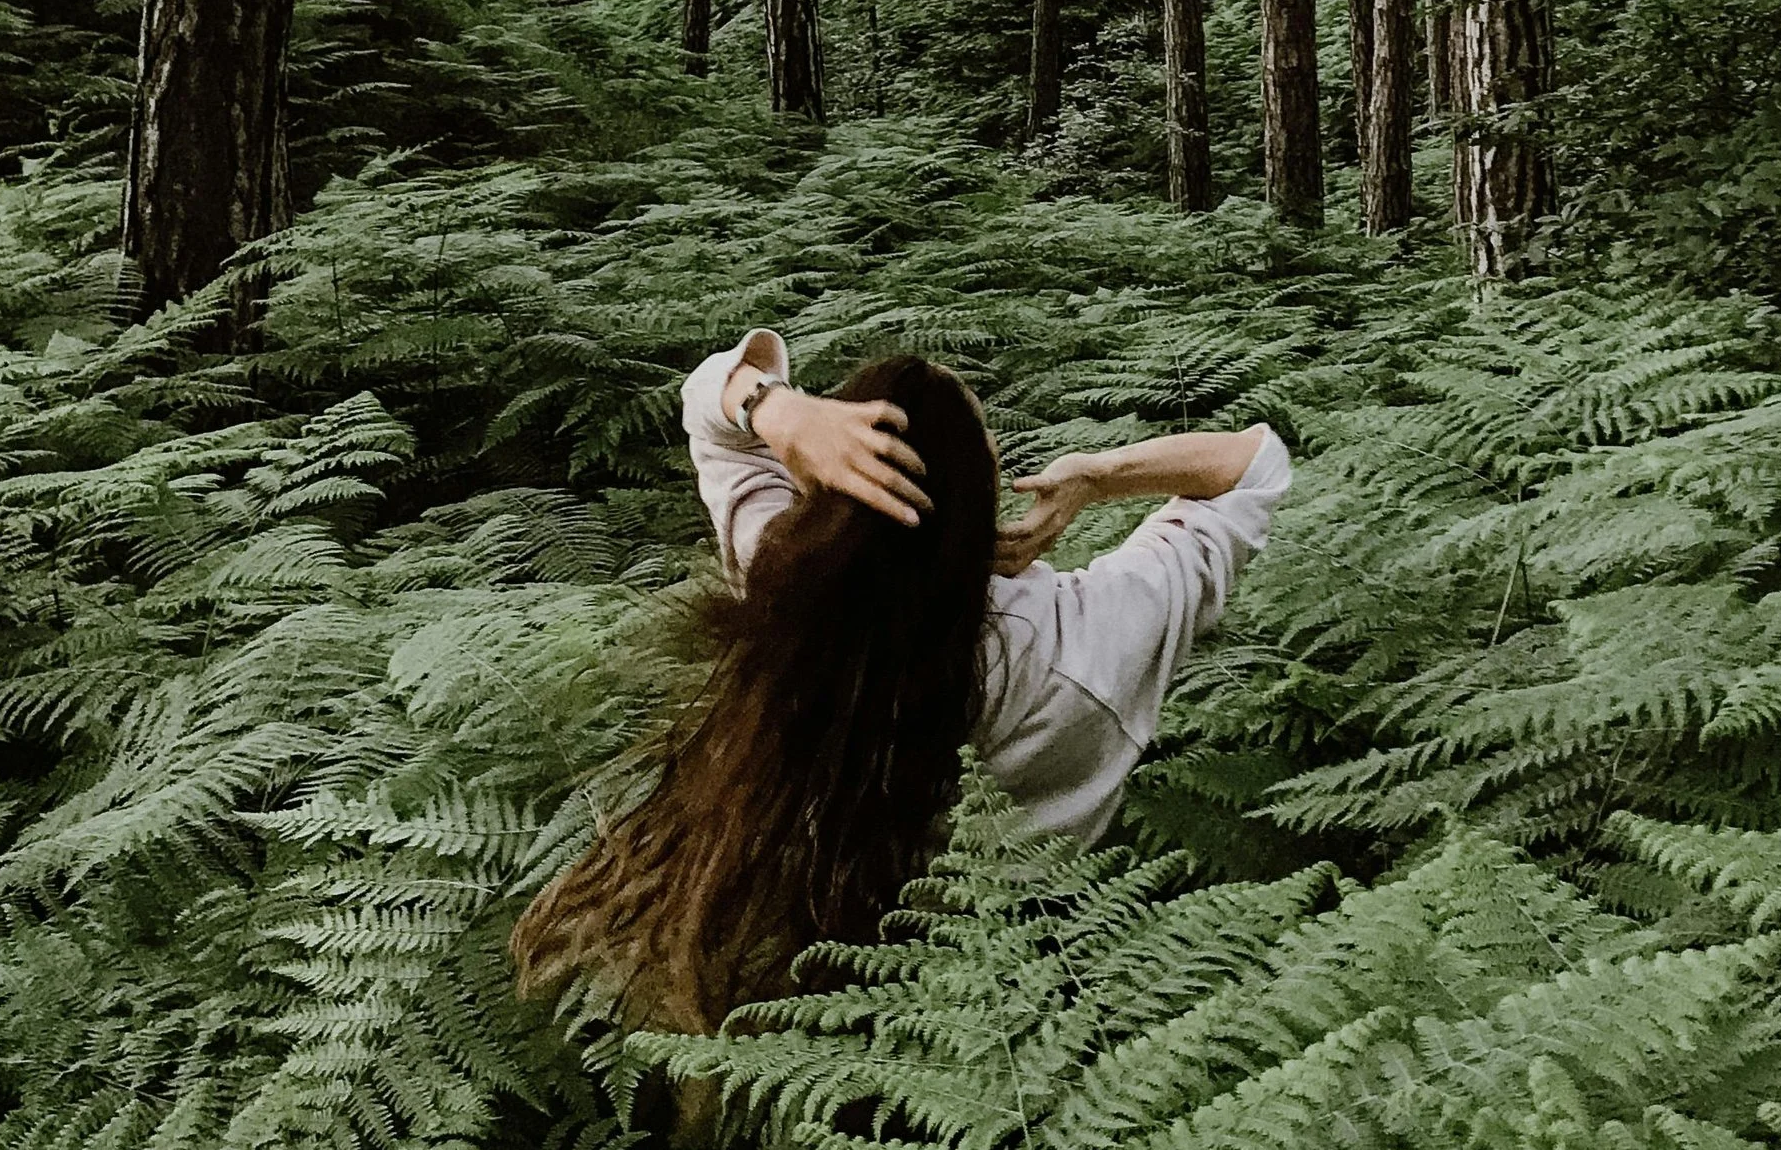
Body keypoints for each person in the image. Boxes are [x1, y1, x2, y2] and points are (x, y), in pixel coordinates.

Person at [512, 330, 1290, 1027]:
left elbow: (708, 409)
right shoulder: (1088, 636)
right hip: (1032, 1022)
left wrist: (780, 410)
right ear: (985, 484)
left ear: (820, 480)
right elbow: (1252, 464)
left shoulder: (783, 596)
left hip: (807, 1016)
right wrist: (1096, 476)